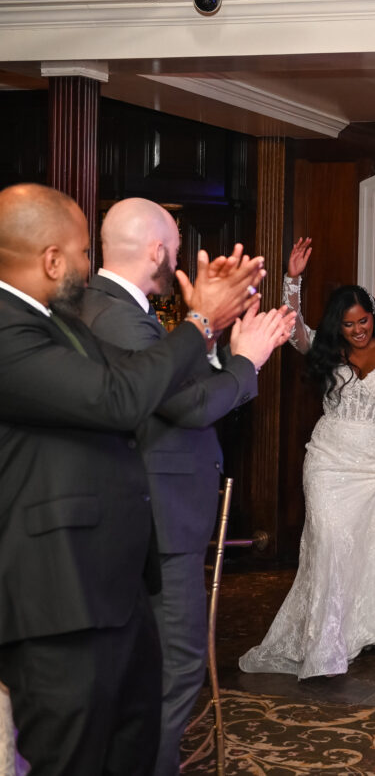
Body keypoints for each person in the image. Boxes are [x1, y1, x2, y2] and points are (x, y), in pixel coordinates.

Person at [0, 182, 274, 775]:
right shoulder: (10, 330)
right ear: (51, 260)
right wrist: (204, 322)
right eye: (79, 254)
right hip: (54, 585)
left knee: (128, 725)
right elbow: (125, 399)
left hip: (107, 564)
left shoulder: (55, 321)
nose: (87, 266)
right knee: (78, 749)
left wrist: (206, 328)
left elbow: (149, 385)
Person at [77, 197, 293, 776]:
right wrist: (249, 360)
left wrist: (217, 337)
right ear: (157, 250)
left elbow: (180, 377)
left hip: (152, 516)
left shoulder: (122, 309)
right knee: (175, 668)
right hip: (158, 519)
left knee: (155, 666)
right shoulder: (118, 315)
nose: (178, 257)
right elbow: (190, 405)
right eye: (174, 243)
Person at [239, 237, 375, 678]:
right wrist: (293, 281)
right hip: (327, 462)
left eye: (364, 321)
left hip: (374, 468)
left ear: (373, 317)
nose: (359, 330)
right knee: (331, 544)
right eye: (350, 324)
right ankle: (326, 642)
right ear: (338, 326)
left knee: (372, 548)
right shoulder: (326, 348)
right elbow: (295, 330)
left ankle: (364, 629)